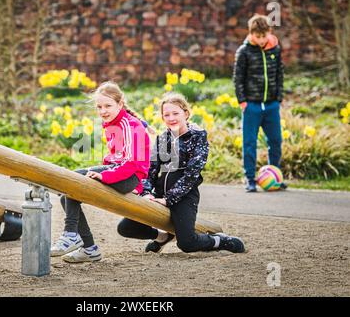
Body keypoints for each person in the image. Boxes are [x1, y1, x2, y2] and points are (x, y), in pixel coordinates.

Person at [117, 93, 245, 254]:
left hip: (184, 196)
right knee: (125, 228)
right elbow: (149, 171)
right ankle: (163, 237)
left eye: (175, 113)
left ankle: (220, 240)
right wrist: (147, 194)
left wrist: (168, 199)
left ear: (186, 113)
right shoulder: (162, 139)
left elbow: (192, 174)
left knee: (187, 243)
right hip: (158, 194)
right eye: (166, 115)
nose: (171, 118)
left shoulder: (197, 136)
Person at [51, 81, 150, 263]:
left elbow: (131, 163)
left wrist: (104, 175)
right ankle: (89, 249)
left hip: (130, 177)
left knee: (73, 182)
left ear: (120, 104)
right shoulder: (112, 123)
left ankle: (71, 235)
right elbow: (117, 155)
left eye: (107, 106)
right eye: (99, 107)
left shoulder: (130, 125)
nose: (103, 111)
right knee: (68, 190)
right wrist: (105, 167)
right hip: (119, 171)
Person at [233, 14, 287, 192]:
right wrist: (243, 101)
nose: (262, 40)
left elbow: (280, 74)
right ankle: (250, 179)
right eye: (258, 36)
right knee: (249, 143)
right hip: (252, 106)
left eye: (264, 36)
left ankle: (275, 175)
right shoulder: (244, 51)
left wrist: (278, 98)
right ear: (251, 34)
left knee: (275, 141)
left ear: (269, 32)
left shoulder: (275, 49)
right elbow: (238, 78)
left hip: (271, 105)